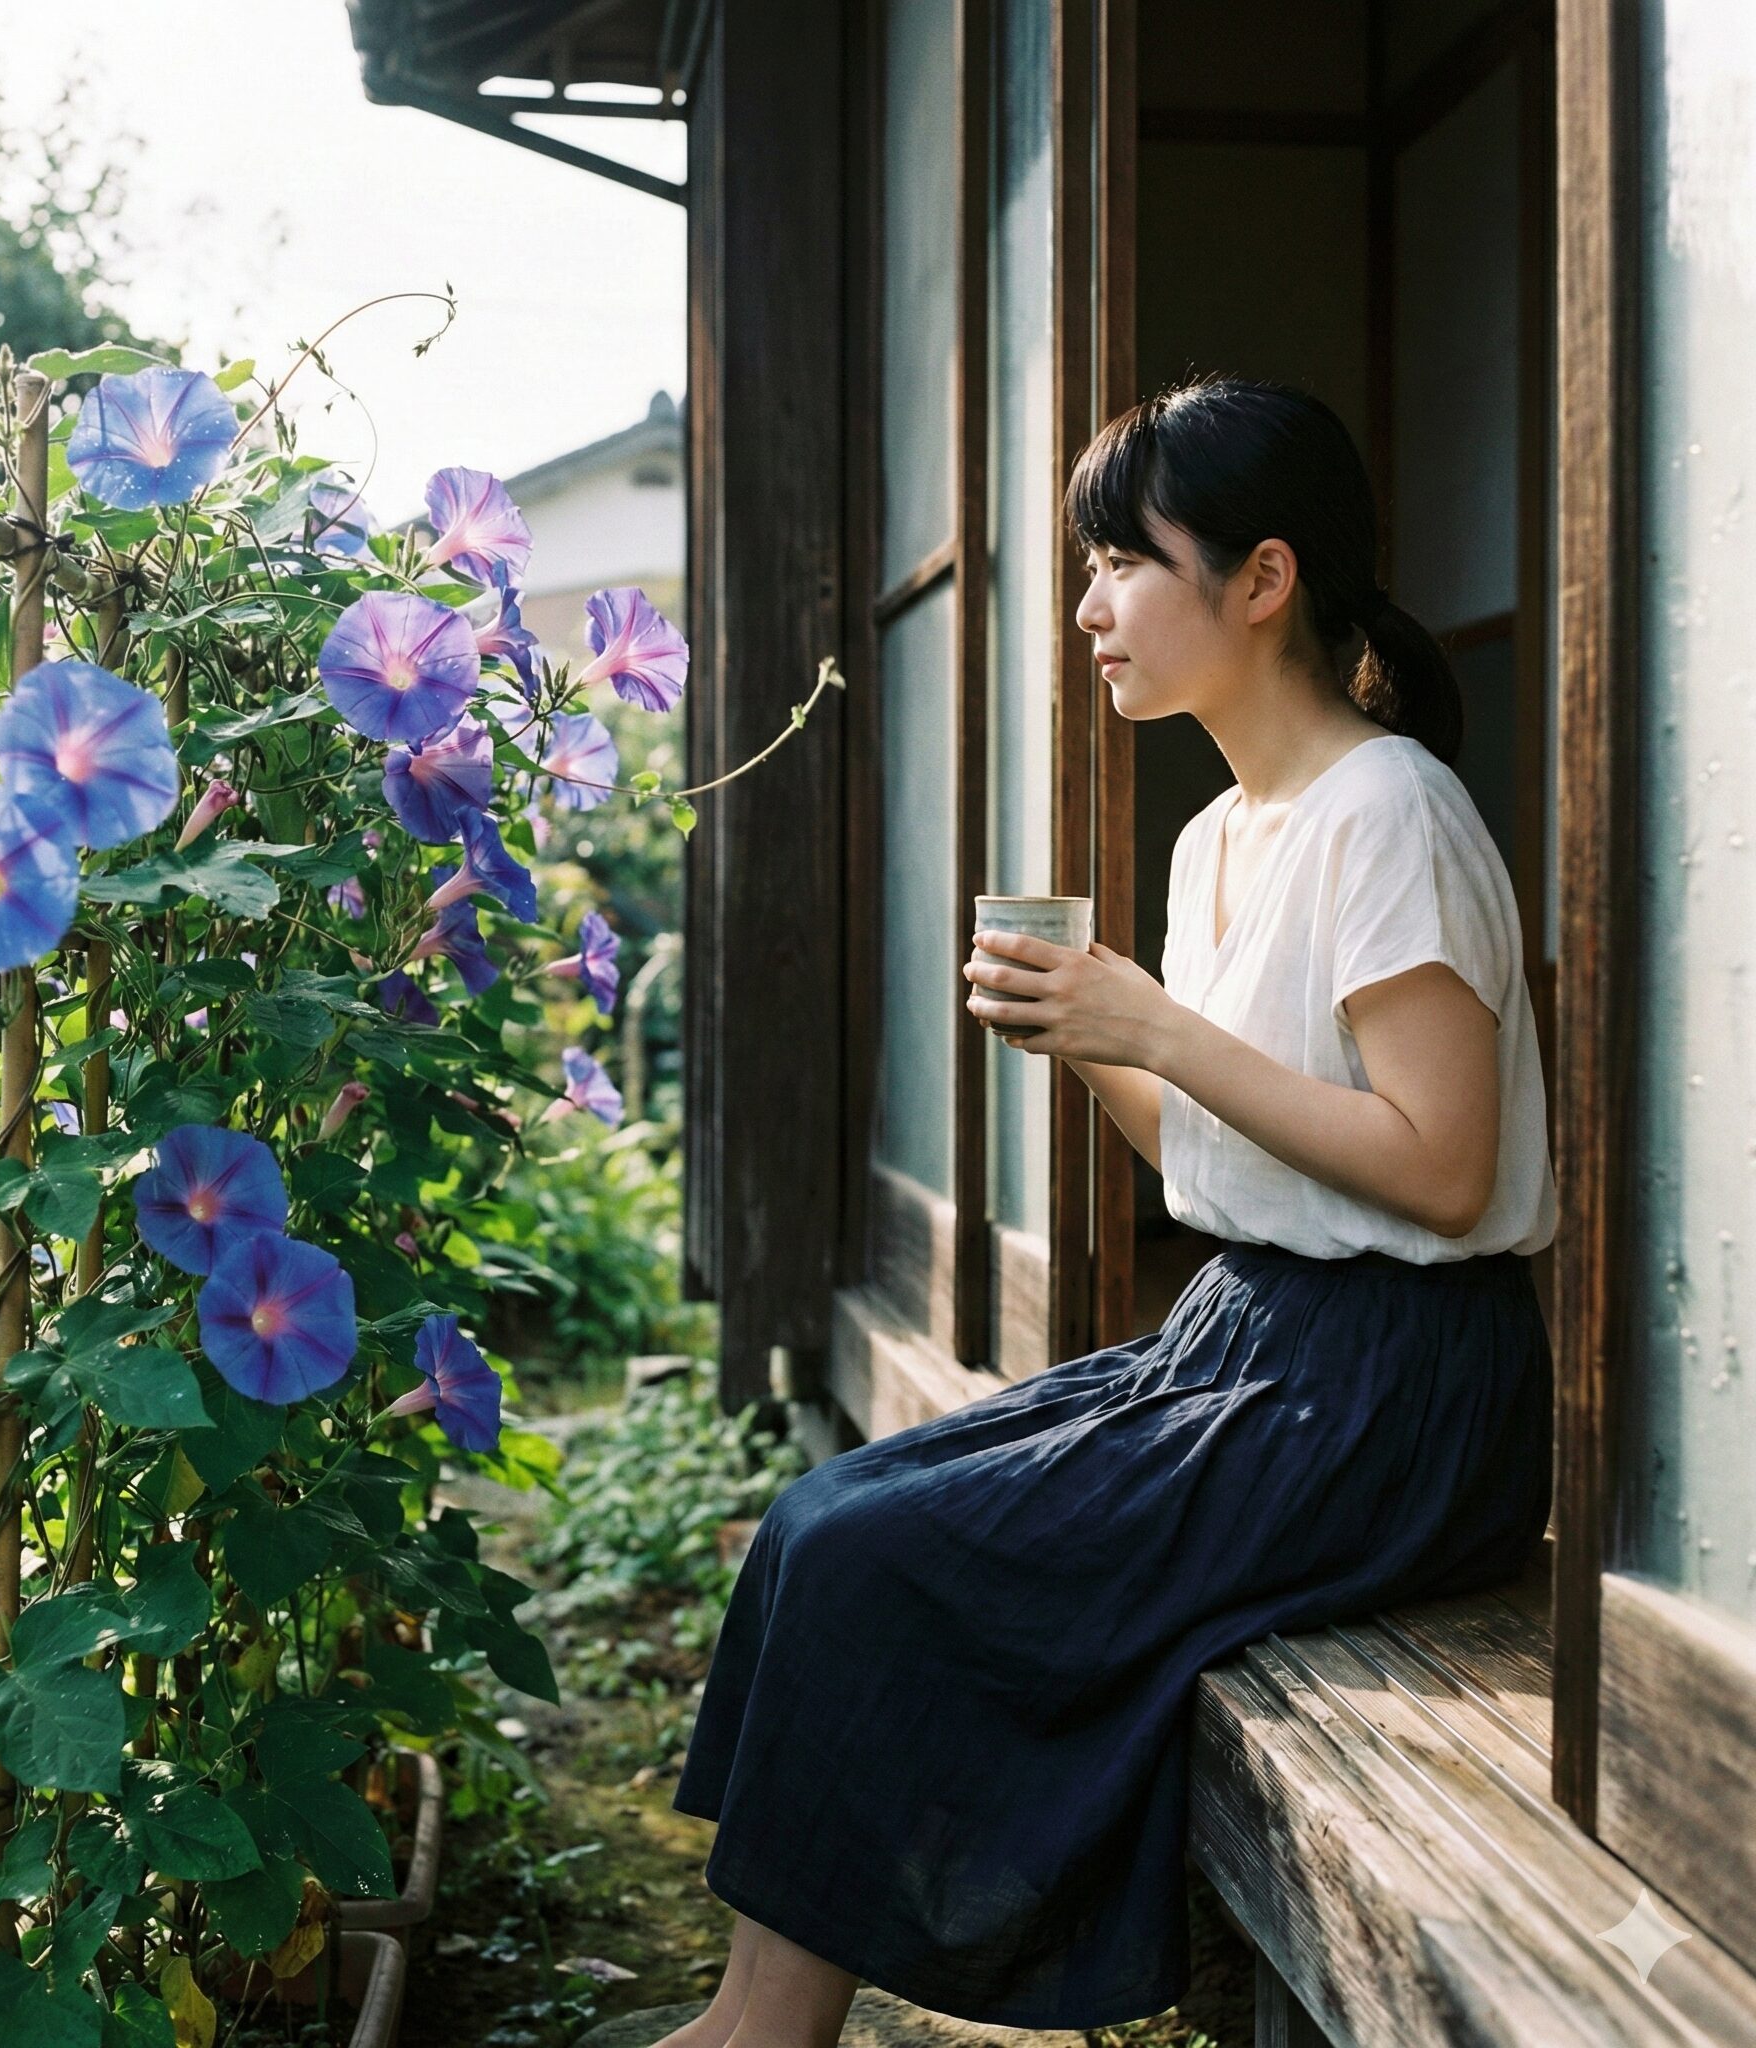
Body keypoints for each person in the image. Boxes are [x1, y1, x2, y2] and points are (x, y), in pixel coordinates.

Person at [653, 375, 1559, 2048]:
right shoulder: (1220, 831)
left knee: (875, 1561)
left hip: (1399, 1389)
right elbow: (1224, 1158)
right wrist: (1091, 1043)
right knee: (822, 1519)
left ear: (1263, 578)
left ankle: (760, 2039)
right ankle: (752, 2018)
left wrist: (1156, 1025)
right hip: (1259, 1334)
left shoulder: (1393, 812)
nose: (1088, 608)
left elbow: (1440, 1162)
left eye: (1123, 562)